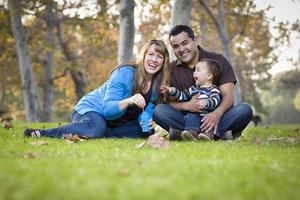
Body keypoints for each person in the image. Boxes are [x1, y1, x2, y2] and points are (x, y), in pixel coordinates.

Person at [24, 39, 171, 139]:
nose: (154, 60)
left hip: (116, 121)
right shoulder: (125, 73)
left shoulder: (157, 83)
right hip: (92, 109)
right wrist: (129, 100)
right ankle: (42, 133)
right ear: (143, 56)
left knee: (144, 131)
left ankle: (95, 131)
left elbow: (146, 111)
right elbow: (107, 110)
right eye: (150, 54)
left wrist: (146, 120)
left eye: (159, 56)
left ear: (163, 61)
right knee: (96, 128)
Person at [153, 25, 253, 141]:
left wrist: (216, 113)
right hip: (188, 120)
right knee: (159, 111)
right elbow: (166, 103)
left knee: (245, 110)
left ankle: (184, 135)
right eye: (176, 46)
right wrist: (187, 106)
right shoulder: (170, 69)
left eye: (185, 43)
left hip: (218, 118)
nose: (181, 49)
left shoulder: (218, 61)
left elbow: (228, 97)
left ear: (195, 40)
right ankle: (218, 135)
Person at [160, 59, 222, 141]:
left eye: (198, 70)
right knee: (190, 117)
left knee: (209, 124)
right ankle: (191, 133)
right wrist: (172, 90)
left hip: (207, 116)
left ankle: (207, 136)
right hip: (195, 116)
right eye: (195, 70)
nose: (194, 73)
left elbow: (215, 100)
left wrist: (206, 102)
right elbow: (182, 96)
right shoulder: (193, 89)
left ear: (209, 76)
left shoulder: (213, 89)